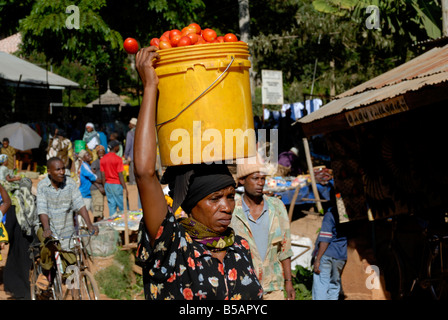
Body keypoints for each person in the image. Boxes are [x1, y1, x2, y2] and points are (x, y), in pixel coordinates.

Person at [133, 46, 263, 300]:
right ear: (192, 204)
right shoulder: (172, 246)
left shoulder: (239, 249)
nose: (227, 206)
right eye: (215, 199)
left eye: (230, 196)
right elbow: (144, 173)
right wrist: (150, 87)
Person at [231, 156, 295, 300]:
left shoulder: (276, 207)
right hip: (244, 287)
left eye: (263, 178)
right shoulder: (233, 211)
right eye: (255, 178)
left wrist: (288, 282)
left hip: (274, 288)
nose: (260, 183)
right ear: (242, 180)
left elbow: (285, 248)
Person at [35, 157, 98, 290]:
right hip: (47, 226)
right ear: (49, 171)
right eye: (58, 169)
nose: (62, 172)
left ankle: (72, 289)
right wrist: (46, 228)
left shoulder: (70, 183)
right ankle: (45, 273)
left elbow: (80, 205)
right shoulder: (42, 186)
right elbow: (42, 209)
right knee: (47, 246)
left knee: (71, 261)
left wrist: (89, 224)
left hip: (66, 228)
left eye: (63, 168)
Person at [312, 205, 347, 300]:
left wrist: (318, 259)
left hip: (326, 254)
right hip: (341, 256)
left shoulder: (330, 215)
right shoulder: (348, 214)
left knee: (321, 285)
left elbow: (325, 239)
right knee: (334, 285)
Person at [100, 140, 128, 217]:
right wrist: (125, 188)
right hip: (117, 184)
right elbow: (120, 175)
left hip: (107, 185)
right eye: (118, 146)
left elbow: (103, 175)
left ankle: (114, 225)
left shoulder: (103, 159)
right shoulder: (118, 159)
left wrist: (104, 186)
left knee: (111, 206)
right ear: (115, 148)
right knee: (123, 206)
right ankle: (125, 224)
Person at [78, 149, 101, 218]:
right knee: (83, 213)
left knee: (97, 212)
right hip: (85, 193)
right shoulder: (84, 166)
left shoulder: (88, 166)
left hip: (90, 193)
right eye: (87, 155)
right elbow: (93, 177)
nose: (89, 156)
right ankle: (81, 227)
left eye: (89, 154)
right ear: (83, 158)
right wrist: (102, 181)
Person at [90, 146, 106, 222]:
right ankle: (99, 227)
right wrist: (99, 187)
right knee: (98, 210)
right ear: (97, 154)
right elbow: (92, 177)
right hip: (96, 189)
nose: (101, 155)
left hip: (101, 188)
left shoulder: (105, 162)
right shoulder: (95, 163)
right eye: (99, 153)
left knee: (99, 209)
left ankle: (95, 226)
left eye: (102, 153)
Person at [124, 117, 137, 185]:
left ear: (133, 125)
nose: (129, 125)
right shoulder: (139, 132)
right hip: (139, 155)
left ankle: (132, 181)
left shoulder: (130, 133)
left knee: (132, 169)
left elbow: (128, 145)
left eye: (130, 124)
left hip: (132, 155)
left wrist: (126, 155)